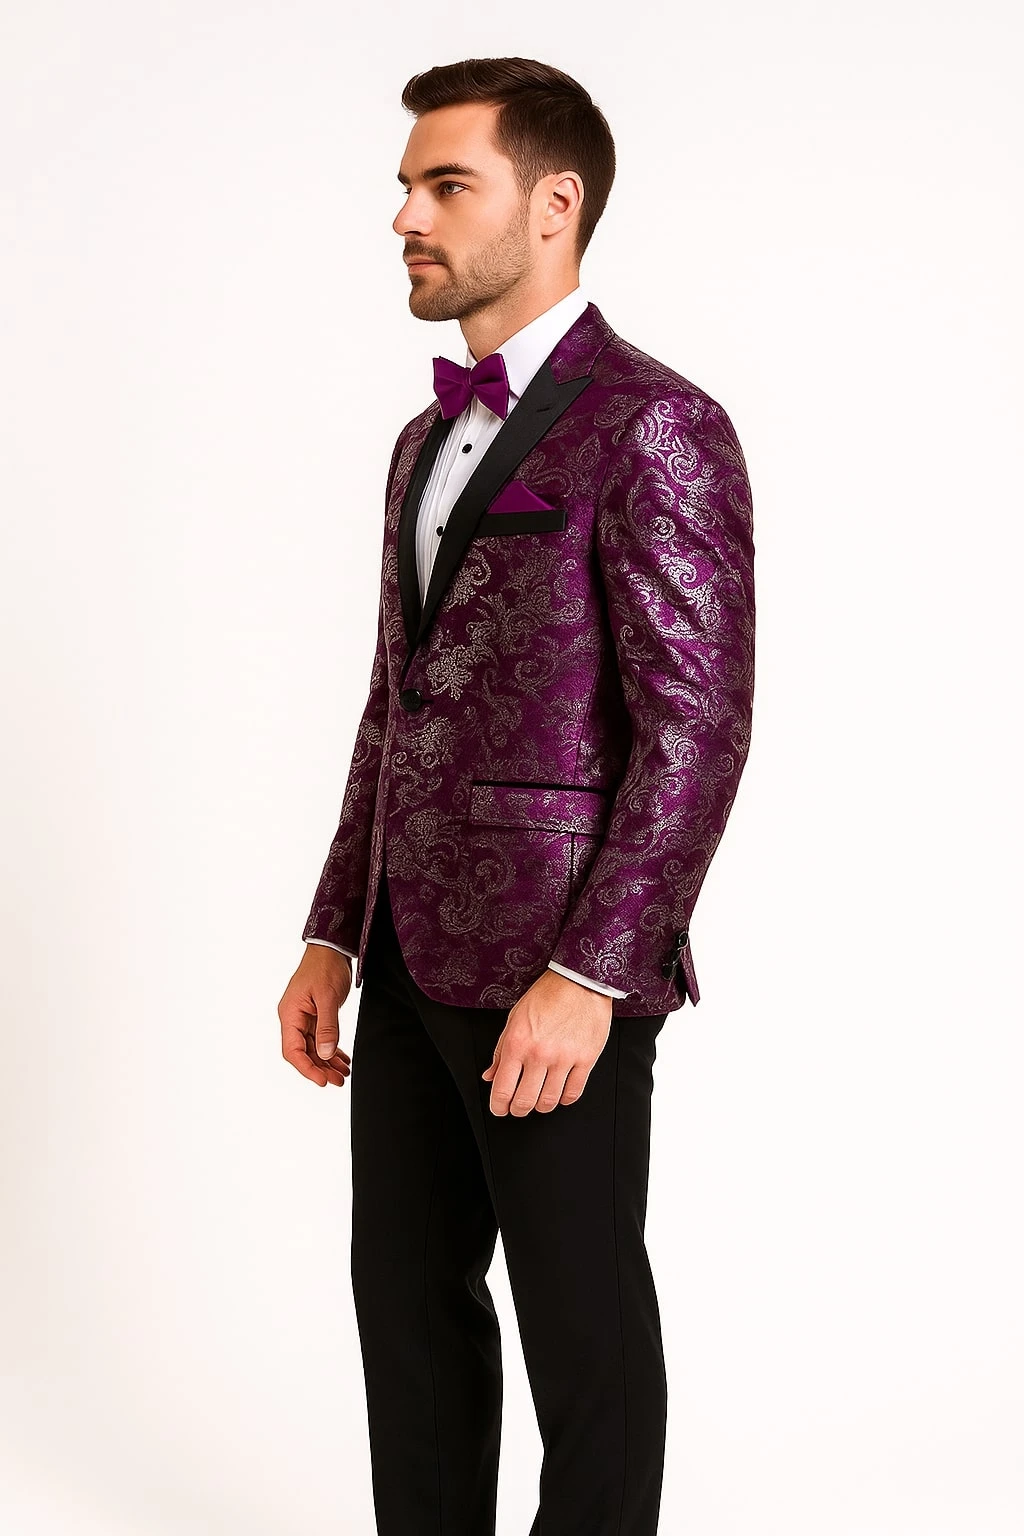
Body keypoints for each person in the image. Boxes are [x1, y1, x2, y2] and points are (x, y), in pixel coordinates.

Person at [278, 55, 755, 1536]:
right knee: (408, 1315)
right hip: (406, 953)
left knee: (582, 1333)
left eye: (445, 185)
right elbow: (396, 704)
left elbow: (697, 728)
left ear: (555, 205)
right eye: (406, 187)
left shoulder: (657, 424)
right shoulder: (422, 444)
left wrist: (594, 974)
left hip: (557, 971)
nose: (405, 219)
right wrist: (334, 931)